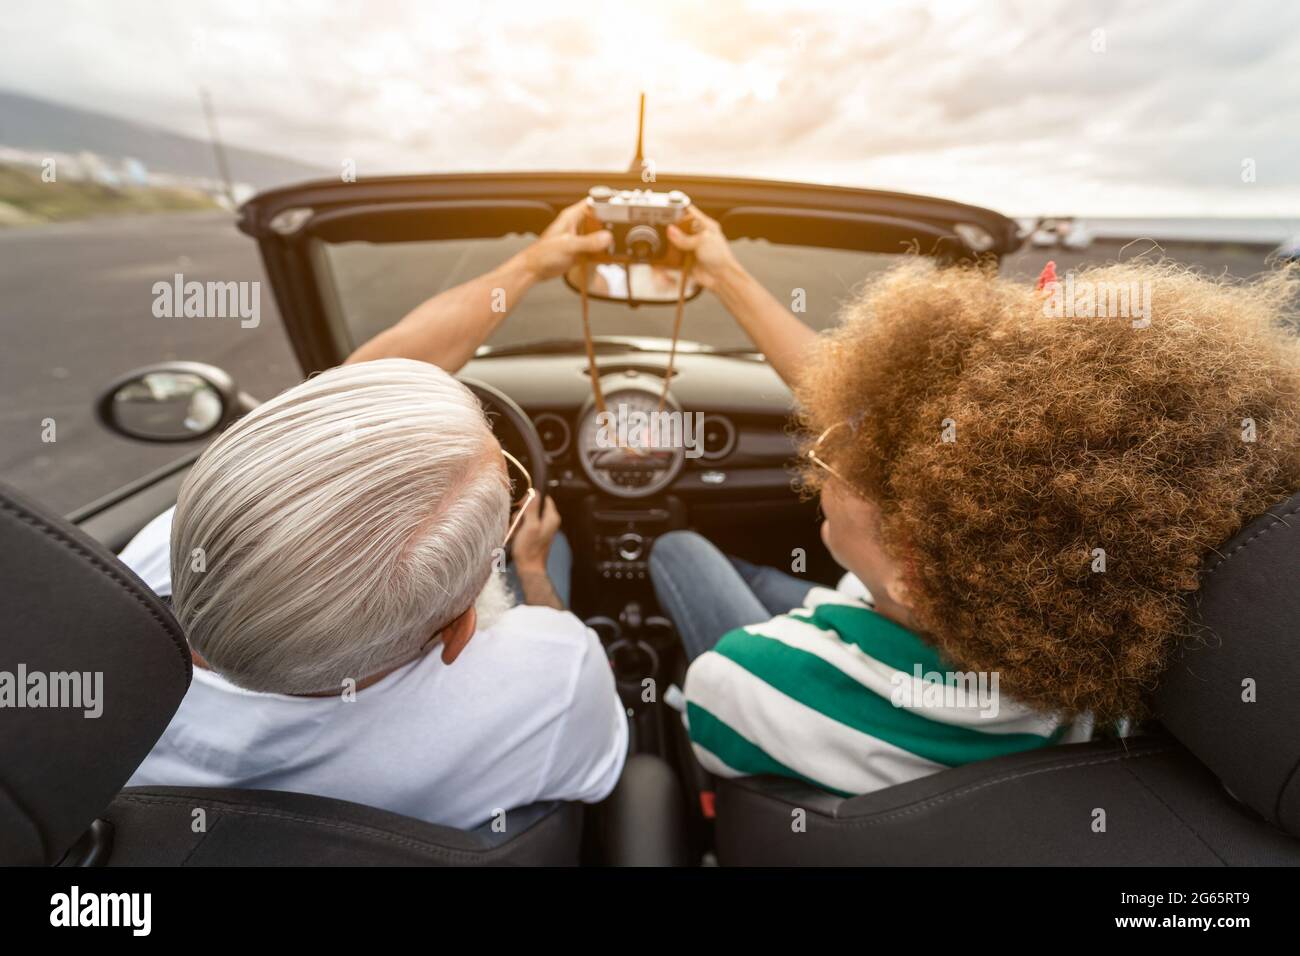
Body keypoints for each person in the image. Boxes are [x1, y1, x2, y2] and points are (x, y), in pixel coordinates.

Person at [651, 207, 1300, 797]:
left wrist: (541, 580)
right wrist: (722, 272)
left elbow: (713, 707)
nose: (825, 449)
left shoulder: (741, 682)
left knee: (678, 551)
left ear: (910, 573)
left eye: (837, 453)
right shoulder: (1103, 683)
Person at [119, 204, 628, 831]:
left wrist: (529, 265)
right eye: (509, 495)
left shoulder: (144, 570)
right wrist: (532, 567)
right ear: (458, 629)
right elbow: (599, 746)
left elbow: (348, 397)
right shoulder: (553, 682)